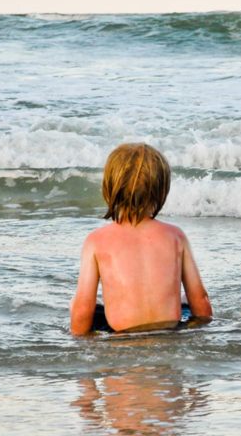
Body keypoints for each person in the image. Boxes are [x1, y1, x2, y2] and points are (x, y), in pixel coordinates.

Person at [70, 143, 212, 335]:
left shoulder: (96, 240)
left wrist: (79, 342)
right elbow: (201, 300)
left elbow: (82, 309)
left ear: (110, 188)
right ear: (161, 190)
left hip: (122, 334)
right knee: (186, 299)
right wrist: (200, 330)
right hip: (170, 329)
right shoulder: (176, 236)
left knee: (79, 302)